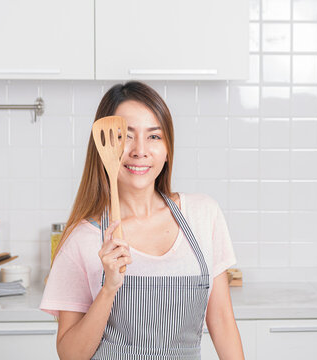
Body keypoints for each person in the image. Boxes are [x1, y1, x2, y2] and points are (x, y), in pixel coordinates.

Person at [40, 81, 244, 360]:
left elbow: (221, 321)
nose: (139, 150)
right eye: (125, 136)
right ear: (105, 148)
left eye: (154, 136)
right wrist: (108, 288)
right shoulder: (82, 238)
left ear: (168, 147)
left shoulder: (203, 215)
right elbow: (70, 355)